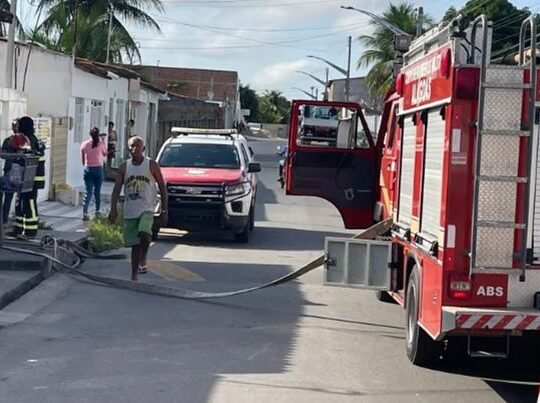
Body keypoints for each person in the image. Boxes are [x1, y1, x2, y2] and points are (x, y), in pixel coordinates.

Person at [108, 136, 168, 281]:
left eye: (138, 146)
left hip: (147, 208)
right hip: (131, 210)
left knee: (144, 232)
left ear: (143, 148)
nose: (135, 149)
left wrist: (164, 210)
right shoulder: (124, 167)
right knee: (135, 244)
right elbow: (117, 189)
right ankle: (134, 275)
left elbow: (162, 186)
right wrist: (113, 209)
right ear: (128, 149)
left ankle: (143, 258)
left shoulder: (151, 165)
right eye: (132, 146)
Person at [11, 116, 45, 240]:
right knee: (19, 202)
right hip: (27, 177)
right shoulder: (31, 138)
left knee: (29, 203)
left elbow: (25, 156)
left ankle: (30, 231)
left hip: (32, 178)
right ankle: (18, 229)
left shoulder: (29, 140)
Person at [1, 119, 29, 223]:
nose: (14, 128)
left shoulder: (25, 139)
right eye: (13, 126)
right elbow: (3, 154)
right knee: (6, 196)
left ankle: (11, 219)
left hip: (19, 172)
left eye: (16, 126)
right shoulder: (8, 140)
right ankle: (4, 219)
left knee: (16, 197)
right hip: (8, 171)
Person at [80, 127, 107, 221]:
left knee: (88, 192)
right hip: (98, 169)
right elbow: (105, 153)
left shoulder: (85, 144)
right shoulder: (100, 143)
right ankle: (97, 211)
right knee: (97, 191)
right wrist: (103, 141)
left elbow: (83, 159)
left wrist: (86, 165)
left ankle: (85, 212)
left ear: (90, 134)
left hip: (88, 169)